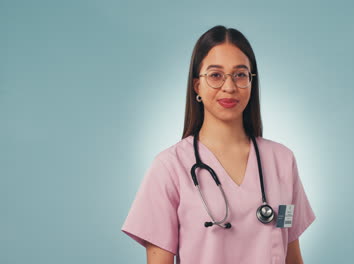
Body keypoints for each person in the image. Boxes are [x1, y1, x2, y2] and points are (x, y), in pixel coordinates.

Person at [121, 25, 317, 264]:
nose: (229, 86)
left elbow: (290, 250)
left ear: (251, 83)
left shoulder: (283, 162)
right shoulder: (170, 167)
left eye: (240, 75)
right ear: (197, 86)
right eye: (215, 75)